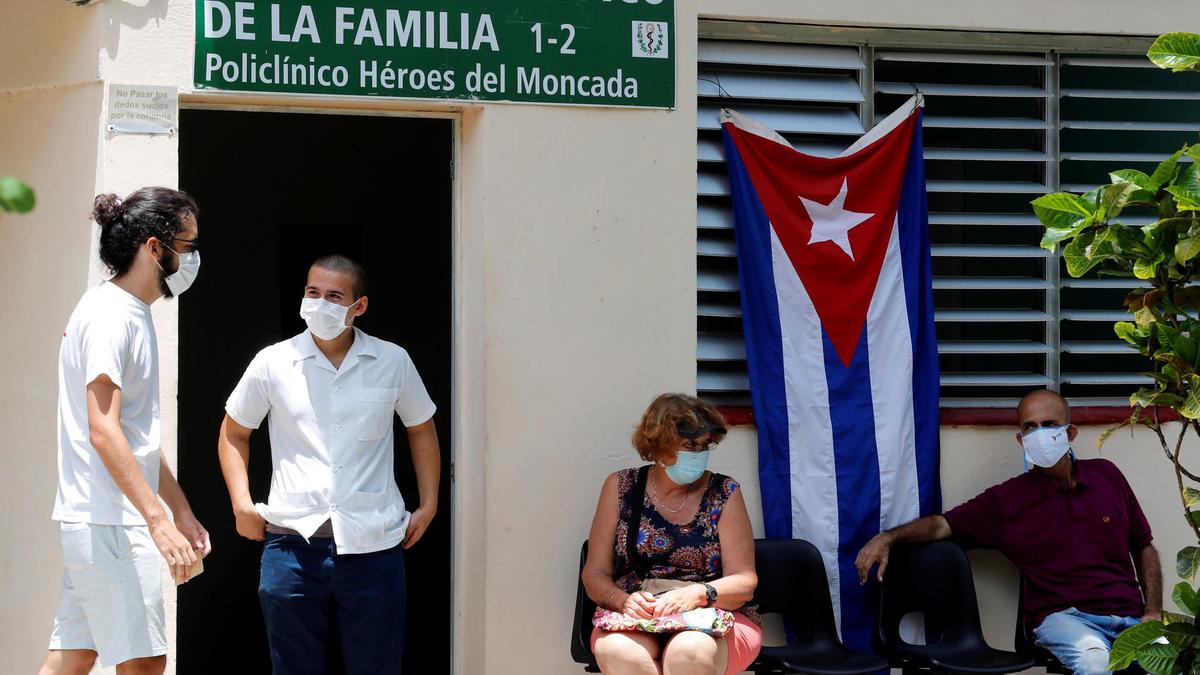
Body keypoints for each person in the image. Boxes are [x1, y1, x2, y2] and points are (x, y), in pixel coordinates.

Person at [217, 254, 441, 675]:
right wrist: (241, 503)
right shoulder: (273, 362)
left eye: (334, 296)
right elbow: (234, 431)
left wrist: (429, 503)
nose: (319, 304)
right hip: (291, 548)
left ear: (359, 307)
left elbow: (421, 427)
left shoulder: (393, 361)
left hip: (373, 547)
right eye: (312, 293)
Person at [855, 389, 1162, 675]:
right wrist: (888, 538)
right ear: (1020, 439)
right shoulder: (1008, 501)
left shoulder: (1107, 475)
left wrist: (1153, 612)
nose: (1038, 434)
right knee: (1096, 663)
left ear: (1069, 433)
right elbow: (942, 525)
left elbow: (1143, 546)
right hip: (1064, 619)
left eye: (1048, 424)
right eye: (1029, 427)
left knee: (1176, 657)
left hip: (1131, 617)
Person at [38, 188, 212, 675]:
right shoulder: (114, 316)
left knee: (73, 656)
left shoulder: (123, 311)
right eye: (188, 244)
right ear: (155, 248)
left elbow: (135, 437)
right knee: (144, 662)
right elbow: (104, 430)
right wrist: (157, 520)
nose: (193, 257)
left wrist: (179, 510)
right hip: (110, 522)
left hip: (99, 518)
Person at [582, 393, 761, 675]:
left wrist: (700, 594)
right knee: (617, 651)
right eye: (690, 445)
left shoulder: (724, 492)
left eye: (705, 445)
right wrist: (623, 600)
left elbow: (745, 581)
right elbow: (594, 575)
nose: (700, 454)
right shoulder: (620, 487)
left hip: (712, 615)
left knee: (688, 652)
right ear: (657, 447)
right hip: (637, 615)